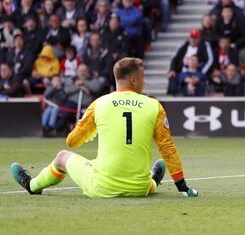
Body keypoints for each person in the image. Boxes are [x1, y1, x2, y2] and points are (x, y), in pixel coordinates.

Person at [10, 57, 198, 198]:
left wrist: (92, 128)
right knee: (137, 168)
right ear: (133, 80)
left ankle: (32, 185)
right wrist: (182, 186)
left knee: (62, 157)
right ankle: (153, 181)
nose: (144, 82)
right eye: (142, 78)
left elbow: (72, 141)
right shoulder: (154, 105)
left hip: (101, 187)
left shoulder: (99, 104)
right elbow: (167, 148)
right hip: (139, 189)